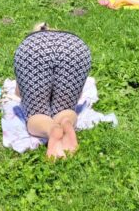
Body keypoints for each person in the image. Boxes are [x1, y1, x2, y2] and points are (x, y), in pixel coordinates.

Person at [13, 24, 92, 159]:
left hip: (33, 50)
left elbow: (19, 93)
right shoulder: (67, 39)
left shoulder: (32, 42)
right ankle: (66, 122)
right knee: (65, 108)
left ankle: (51, 129)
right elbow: (78, 95)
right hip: (74, 49)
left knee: (36, 113)